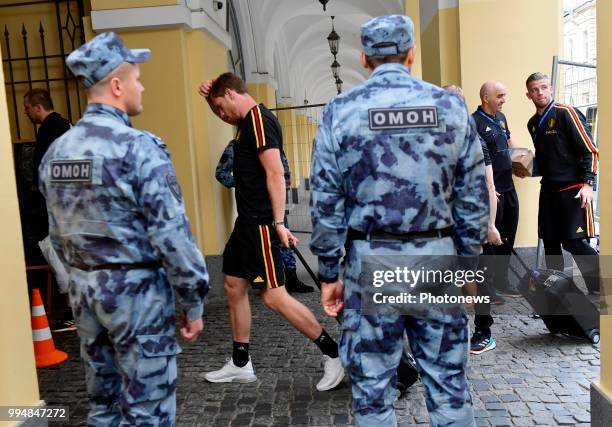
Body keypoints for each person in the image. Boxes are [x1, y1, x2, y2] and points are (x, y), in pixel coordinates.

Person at [310, 15, 486, 426]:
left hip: (371, 261)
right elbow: (473, 197)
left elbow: (326, 200)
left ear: (364, 58)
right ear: (411, 54)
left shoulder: (342, 110)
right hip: (437, 259)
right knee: (448, 385)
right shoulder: (450, 107)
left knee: (372, 391)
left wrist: (329, 272)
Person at [39, 32, 209, 426]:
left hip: (85, 294)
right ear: (116, 85)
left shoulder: (57, 153)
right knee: (148, 412)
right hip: (137, 297)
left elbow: (57, 234)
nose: (142, 85)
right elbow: (172, 235)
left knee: (103, 407)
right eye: (136, 78)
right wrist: (194, 300)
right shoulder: (137, 148)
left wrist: (82, 277)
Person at [198, 73, 344, 391]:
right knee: (234, 285)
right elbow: (223, 107)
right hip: (245, 224)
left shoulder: (260, 120)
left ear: (232, 94)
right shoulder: (245, 123)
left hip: (261, 223)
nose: (220, 115)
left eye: (221, 108)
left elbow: (276, 173)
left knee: (274, 297)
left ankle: (334, 354)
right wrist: (209, 97)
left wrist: (278, 224)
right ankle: (240, 363)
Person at [525, 72, 599, 294]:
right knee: (550, 243)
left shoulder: (566, 113)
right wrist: (527, 169)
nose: (540, 92)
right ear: (528, 94)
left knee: (573, 242)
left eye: (544, 87)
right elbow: (549, 157)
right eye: (535, 90)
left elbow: (591, 151)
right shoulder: (532, 123)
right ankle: (557, 292)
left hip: (573, 190)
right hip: (548, 191)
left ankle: (600, 289)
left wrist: (587, 184)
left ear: (551, 88)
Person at [215, 139, 314, 293]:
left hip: (275, 204)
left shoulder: (273, 144)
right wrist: (246, 185)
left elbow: (285, 175)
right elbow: (221, 173)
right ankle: (263, 280)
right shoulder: (236, 146)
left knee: (284, 241)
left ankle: (291, 278)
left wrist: (278, 189)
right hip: (252, 209)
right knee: (258, 245)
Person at [23, 88, 74, 332]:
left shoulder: (50, 129)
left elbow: (48, 168)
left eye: (27, 107)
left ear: (37, 106)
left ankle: (74, 312)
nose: (25, 112)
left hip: (60, 205)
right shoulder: (65, 125)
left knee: (61, 257)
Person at [472, 81, 522, 298]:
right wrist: (486, 189)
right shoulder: (474, 122)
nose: (503, 100)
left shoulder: (501, 118)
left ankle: (503, 281)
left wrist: (521, 162)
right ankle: (488, 286)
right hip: (493, 192)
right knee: (491, 240)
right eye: (500, 95)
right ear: (486, 97)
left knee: (508, 235)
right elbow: (473, 160)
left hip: (508, 188)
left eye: (504, 95)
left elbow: (510, 144)